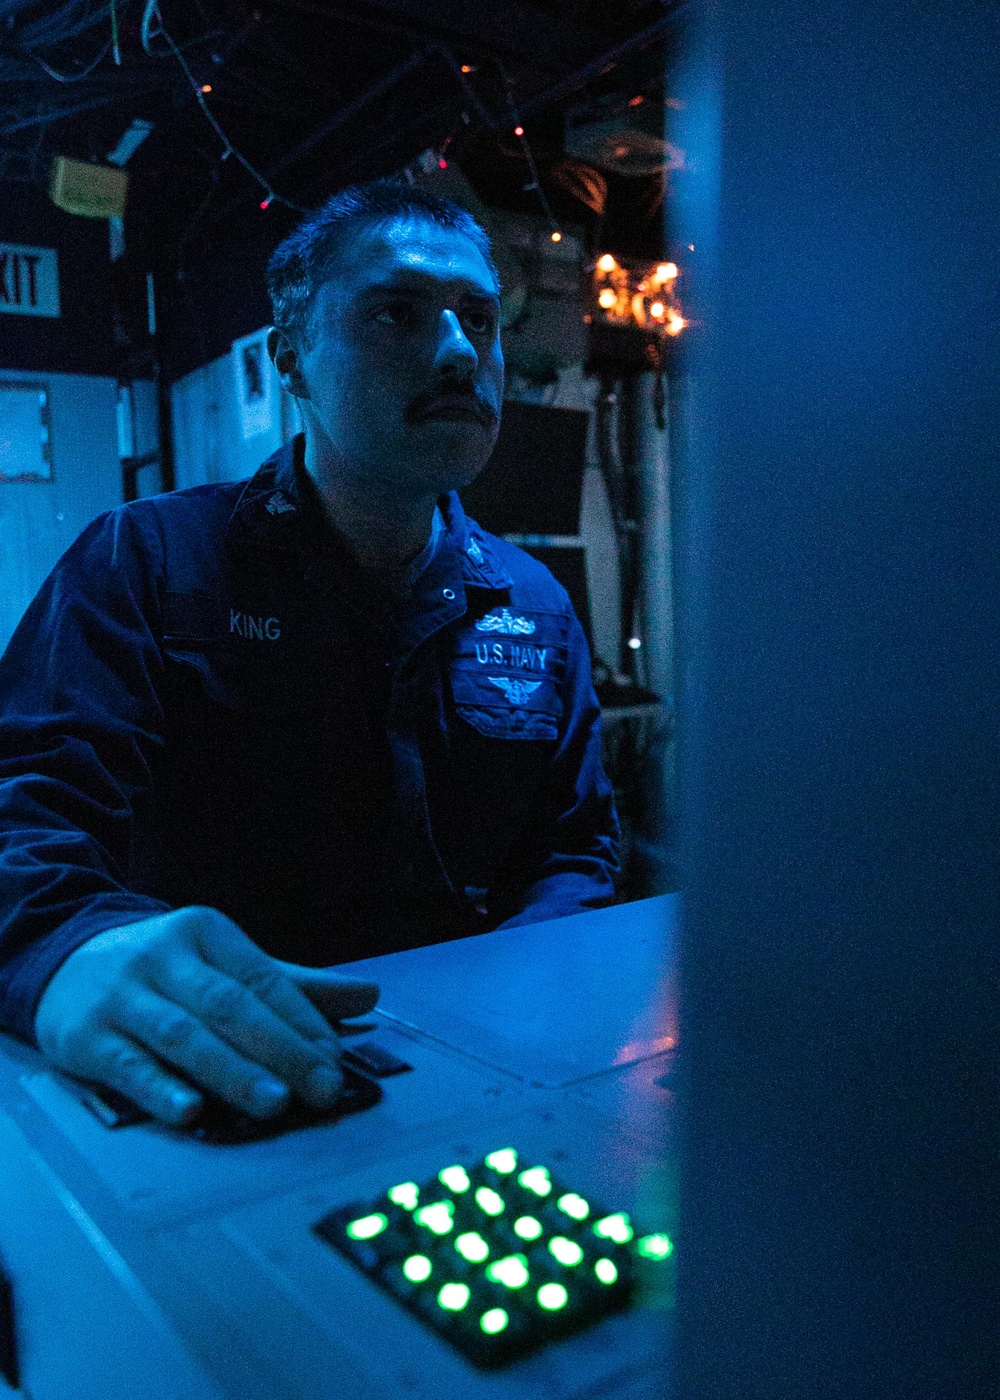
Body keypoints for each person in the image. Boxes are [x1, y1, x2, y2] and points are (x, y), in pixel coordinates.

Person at [0, 180, 619, 1128]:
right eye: (397, 313)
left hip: (487, 1079)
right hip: (228, 1076)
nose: (459, 352)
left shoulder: (534, 604)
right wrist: (65, 947)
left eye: (480, 319)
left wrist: (518, 1003)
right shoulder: (146, 563)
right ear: (292, 358)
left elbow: (574, 850)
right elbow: (23, 816)